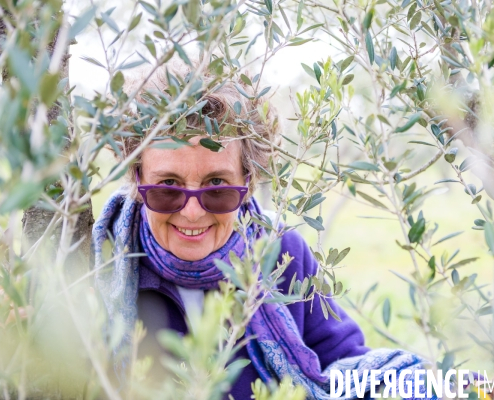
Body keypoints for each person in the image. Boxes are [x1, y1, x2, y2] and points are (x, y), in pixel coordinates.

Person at [92, 63, 436, 399]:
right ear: (137, 181)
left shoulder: (283, 251)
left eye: (217, 185)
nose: (192, 213)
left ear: (248, 181)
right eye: (168, 185)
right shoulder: (102, 265)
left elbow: (343, 364)